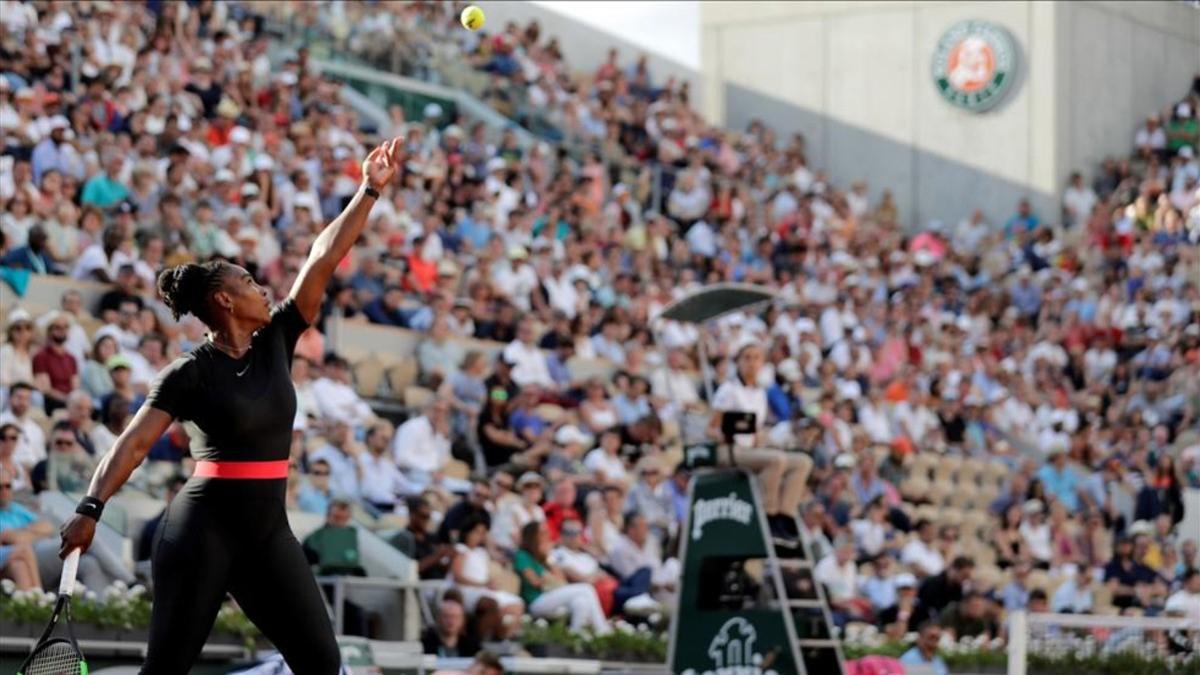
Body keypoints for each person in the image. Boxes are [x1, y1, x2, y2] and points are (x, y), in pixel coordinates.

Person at [59, 137, 404, 673]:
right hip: (201, 534)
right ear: (223, 300)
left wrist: (368, 190)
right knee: (166, 671)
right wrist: (89, 508)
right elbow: (133, 446)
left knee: (321, 663)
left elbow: (323, 256)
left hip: (268, 534)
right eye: (247, 282)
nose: (262, 288)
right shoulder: (188, 372)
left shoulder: (279, 339)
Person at [709, 343, 811, 538]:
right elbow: (711, 428)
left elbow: (756, 429)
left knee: (802, 462)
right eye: (747, 357)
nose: (752, 363)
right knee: (776, 460)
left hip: (750, 450)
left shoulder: (760, 393)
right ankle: (767, 515)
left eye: (756, 358)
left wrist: (760, 440)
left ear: (762, 363)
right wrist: (723, 434)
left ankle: (785, 516)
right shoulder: (728, 389)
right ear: (738, 362)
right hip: (730, 449)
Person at [513, 521, 611, 635]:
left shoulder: (544, 557)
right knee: (586, 588)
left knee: (581, 602)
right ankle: (603, 630)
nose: (547, 536)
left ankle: (575, 635)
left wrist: (549, 558)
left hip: (550, 597)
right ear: (532, 536)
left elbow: (561, 580)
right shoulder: (522, 555)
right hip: (536, 601)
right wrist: (548, 578)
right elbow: (535, 582)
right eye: (543, 533)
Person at [390, 497, 455, 581]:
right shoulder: (402, 539)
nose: (426, 520)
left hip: (438, 583)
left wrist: (450, 558)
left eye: (428, 517)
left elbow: (439, 566)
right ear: (412, 514)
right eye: (423, 516)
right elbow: (406, 570)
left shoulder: (432, 538)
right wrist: (437, 556)